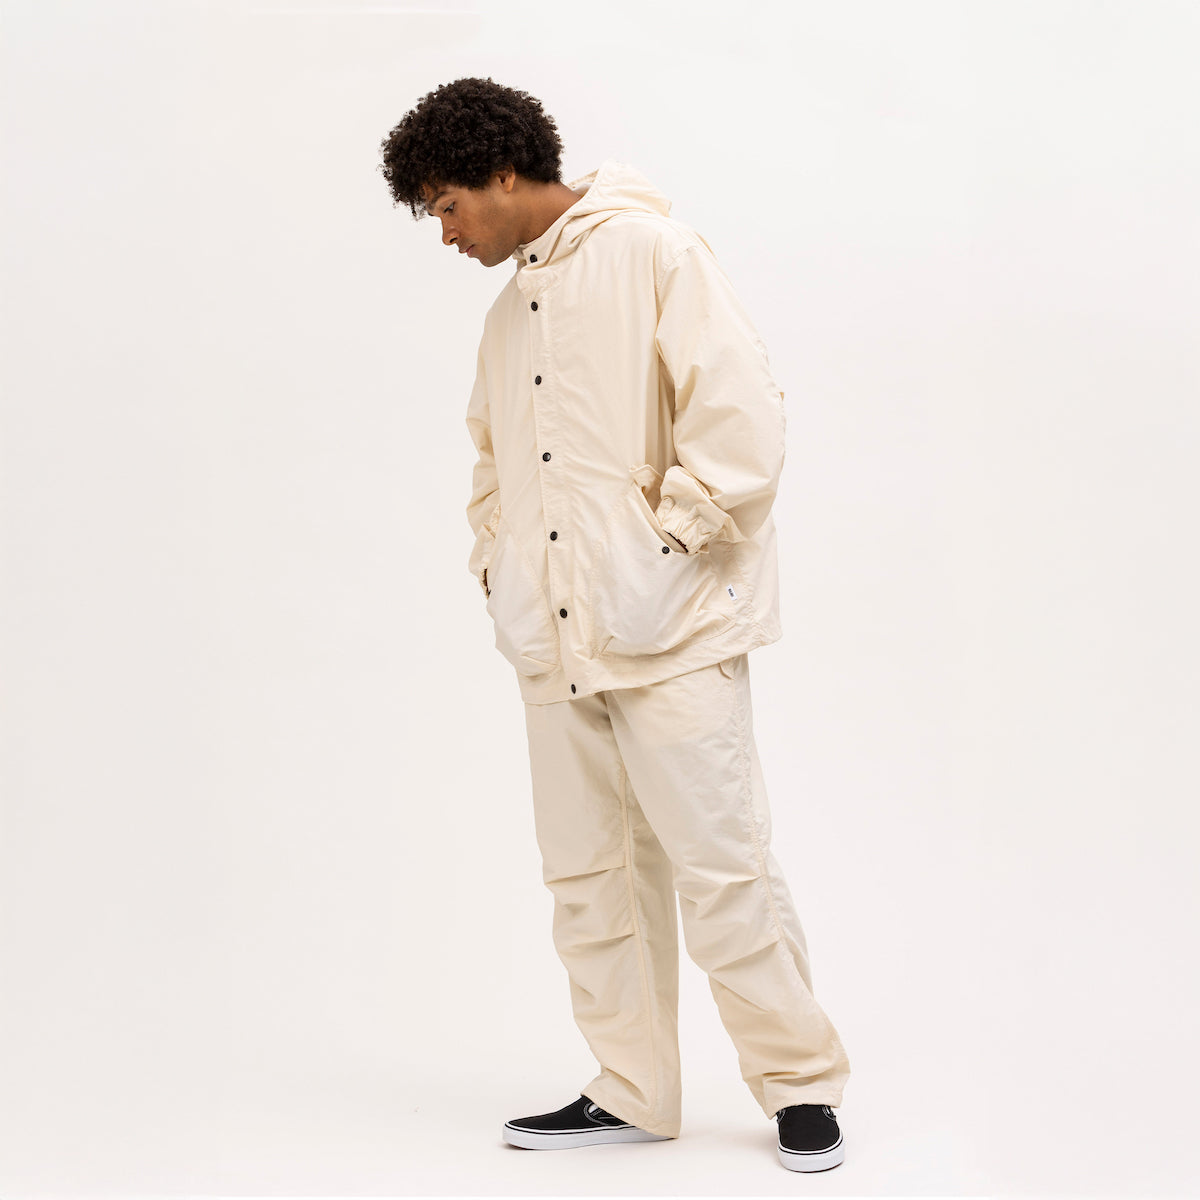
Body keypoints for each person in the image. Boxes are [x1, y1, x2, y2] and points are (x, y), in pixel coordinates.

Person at [378, 76, 851, 1173]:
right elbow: (493, 466)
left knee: (723, 867)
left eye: (447, 206)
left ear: (504, 173)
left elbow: (740, 416)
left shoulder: (655, 254)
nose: (445, 233)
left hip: (672, 630)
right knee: (589, 880)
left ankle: (799, 1084)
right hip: (554, 642)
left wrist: (664, 547)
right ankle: (632, 1087)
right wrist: (500, 568)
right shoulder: (507, 317)